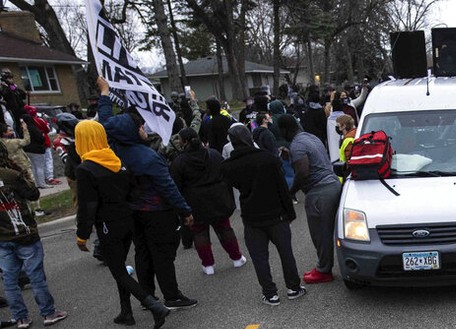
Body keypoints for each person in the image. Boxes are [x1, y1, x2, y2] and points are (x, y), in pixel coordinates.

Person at [97, 76, 198, 310]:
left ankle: (147, 296)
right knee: (162, 255)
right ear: (133, 131)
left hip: (132, 212)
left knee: (142, 254)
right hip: (156, 211)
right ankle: (172, 296)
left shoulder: (113, 150)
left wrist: (104, 94)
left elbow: (105, 123)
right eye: (139, 126)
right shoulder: (148, 158)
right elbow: (168, 187)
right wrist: (185, 210)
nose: (143, 128)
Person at [74, 120, 169, 329]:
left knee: (117, 270)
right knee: (120, 266)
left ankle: (153, 306)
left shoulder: (86, 168)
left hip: (108, 224)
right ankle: (126, 311)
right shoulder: (115, 160)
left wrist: (82, 235)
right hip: (127, 219)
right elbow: (131, 188)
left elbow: (87, 205)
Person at [221, 124, 304, 305]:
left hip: (251, 217)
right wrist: (290, 212)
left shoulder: (229, 166)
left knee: (260, 257)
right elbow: (282, 188)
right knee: (285, 252)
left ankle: (270, 293)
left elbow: (228, 186)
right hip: (277, 214)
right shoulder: (268, 159)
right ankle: (293, 287)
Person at [0, 142, 67, 329]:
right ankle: (48, 313)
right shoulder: (11, 175)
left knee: (10, 280)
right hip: (24, 233)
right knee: (36, 275)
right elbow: (33, 194)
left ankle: (20, 317)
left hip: (3, 238)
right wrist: (23, 173)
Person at [275, 114, 342, 284]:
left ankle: (324, 270)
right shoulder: (310, 137)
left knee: (320, 234)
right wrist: (290, 155)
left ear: (284, 129)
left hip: (319, 192)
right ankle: (330, 266)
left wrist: (291, 191)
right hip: (333, 185)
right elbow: (312, 159)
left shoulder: (297, 145)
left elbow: (303, 172)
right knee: (335, 230)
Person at [170, 128, 246, 275]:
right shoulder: (213, 154)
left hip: (195, 202)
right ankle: (237, 258)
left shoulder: (179, 162)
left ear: (184, 142)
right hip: (218, 198)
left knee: (199, 233)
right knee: (225, 228)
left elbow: (175, 186)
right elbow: (225, 172)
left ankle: (208, 265)